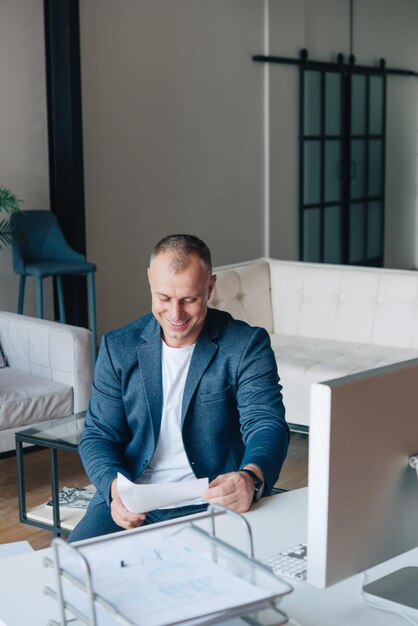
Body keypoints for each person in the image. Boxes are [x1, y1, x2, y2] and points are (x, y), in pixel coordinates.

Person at [69, 234, 289, 542]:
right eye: (164, 298)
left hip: (215, 500)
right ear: (149, 280)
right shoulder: (118, 347)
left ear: (210, 287)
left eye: (189, 300)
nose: (175, 315)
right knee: (77, 568)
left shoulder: (245, 346)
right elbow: (98, 435)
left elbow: (266, 423)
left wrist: (250, 477)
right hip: (133, 498)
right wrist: (113, 489)